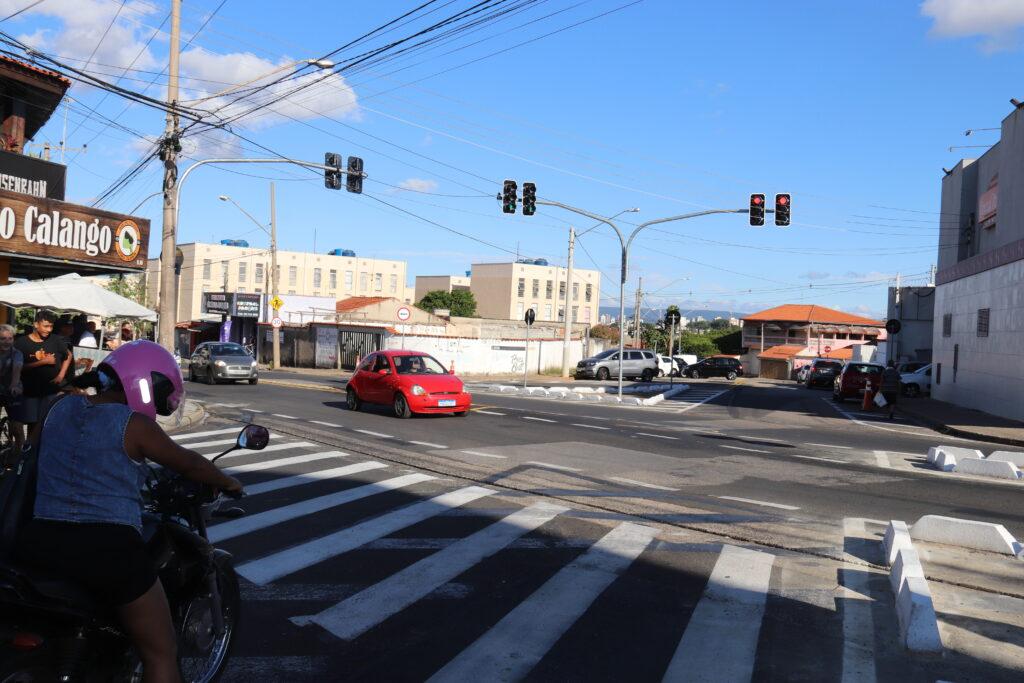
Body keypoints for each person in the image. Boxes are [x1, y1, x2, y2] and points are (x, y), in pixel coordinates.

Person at [14, 340, 244, 683]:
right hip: (106, 549)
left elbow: (30, 450)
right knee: (161, 652)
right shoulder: (134, 424)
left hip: (39, 537)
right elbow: (190, 464)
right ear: (145, 383)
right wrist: (228, 482)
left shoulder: (57, 407)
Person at [13, 311, 71, 440]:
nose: (49, 330)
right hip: (30, 392)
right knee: (32, 424)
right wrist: (42, 362)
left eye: (51, 326)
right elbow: (17, 367)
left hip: (51, 391)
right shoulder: (21, 343)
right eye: (46, 326)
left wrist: (61, 375)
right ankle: (29, 448)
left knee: (47, 423)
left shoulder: (55, 340)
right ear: (36, 324)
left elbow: (68, 355)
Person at [0, 323, 24, 465]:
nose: (7, 342)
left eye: (10, 338)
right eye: (3, 339)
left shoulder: (17, 354)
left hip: (12, 390)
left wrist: (14, 385)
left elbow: (17, 369)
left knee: (17, 427)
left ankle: (19, 455)